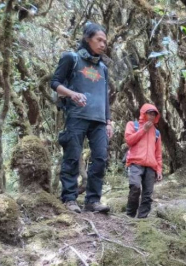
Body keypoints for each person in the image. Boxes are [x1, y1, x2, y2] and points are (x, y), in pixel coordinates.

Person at [51, 23, 113, 213]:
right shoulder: (72, 58)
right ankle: (69, 199)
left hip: (99, 120)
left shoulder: (103, 68)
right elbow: (54, 83)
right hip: (77, 116)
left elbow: (105, 96)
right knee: (71, 157)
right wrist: (72, 94)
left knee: (101, 158)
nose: (103, 44)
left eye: (104, 41)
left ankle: (92, 201)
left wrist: (109, 121)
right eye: (98, 40)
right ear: (87, 39)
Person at [124, 104, 163, 218]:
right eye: (149, 113)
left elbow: (158, 153)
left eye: (153, 114)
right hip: (135, 163)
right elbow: (129, 141)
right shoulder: (132, 125)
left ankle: (142, 219)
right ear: (143, 113)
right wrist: (143, 130)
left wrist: (159, 170)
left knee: (147, 195)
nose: (151, 116)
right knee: (135, 187)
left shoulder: (156, 133)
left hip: (151, 166)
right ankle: (129, 216)